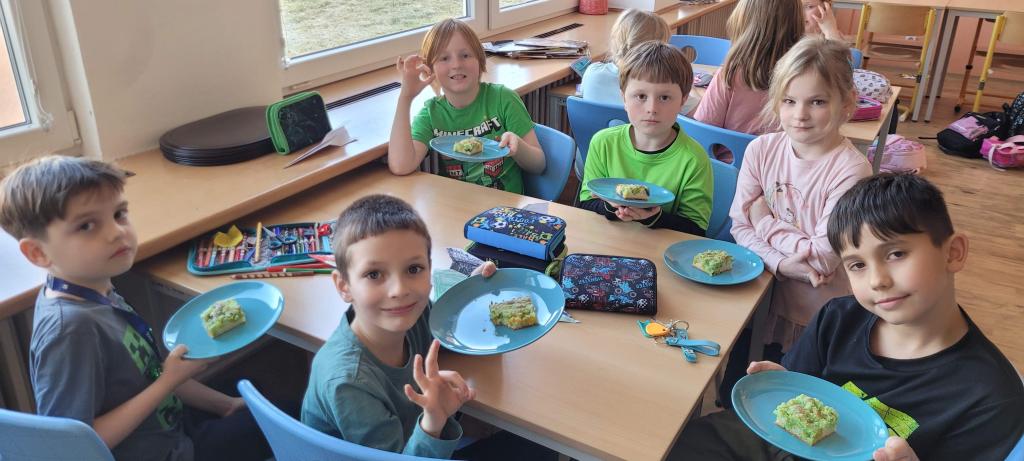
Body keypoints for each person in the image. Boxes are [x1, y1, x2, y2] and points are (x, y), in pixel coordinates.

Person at [673, 173, 1024, 461]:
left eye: (896, 254)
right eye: (857, 265)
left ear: (953, 253)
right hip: (785, 445)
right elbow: (799, 390)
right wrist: (783, 386)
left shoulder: (990, 396)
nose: (877, 281)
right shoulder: (839, 318)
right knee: (683, 442)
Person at [0, 155, 270, 461]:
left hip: (170, 426)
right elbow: (72, 448)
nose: (116, 232)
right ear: (37, 253)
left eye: (119, 214)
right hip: (167, 453)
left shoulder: (95, 289)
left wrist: (225, 405)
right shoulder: (70, 329)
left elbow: (150, 372)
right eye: (86, 225)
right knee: (283, 413)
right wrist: (168, 380)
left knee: (255, 392)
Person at [388, 18, 545, 193]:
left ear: (480, 61)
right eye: (444, 58)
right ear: (430, 70)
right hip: (457, 204)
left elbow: (539, 165)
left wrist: (519, 147)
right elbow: (400, 166)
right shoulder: (431, 113)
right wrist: (406, 97)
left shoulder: (503, 99)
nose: (456, 65)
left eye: (465, 55)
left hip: (505, 205)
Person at [577, 41, 713, 236]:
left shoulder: (694, 159)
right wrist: (611, 207)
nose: (652, 108)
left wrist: (652, 217)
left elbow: (696, 229)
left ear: (683, 101)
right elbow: (586, 203)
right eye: (641, 96)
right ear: (624, 99)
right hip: (608, 241)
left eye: (664, 98)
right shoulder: (603, 143)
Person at [692, 0, 804, 163]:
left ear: (743, 23)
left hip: (726, 170)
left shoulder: (730, 73)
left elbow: (702, 132)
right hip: (779, 172)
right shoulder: (805, 77)